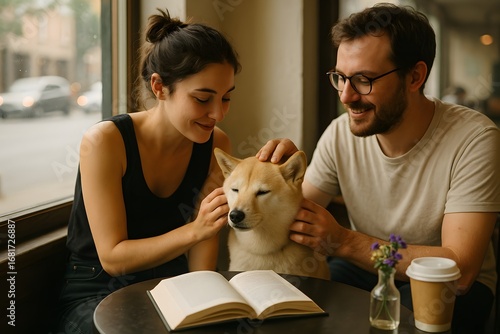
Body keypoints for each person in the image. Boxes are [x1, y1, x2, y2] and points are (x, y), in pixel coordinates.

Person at [257, 4, 500, 334]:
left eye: (363, 80)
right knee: (301, 308)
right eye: (340, 78)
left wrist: (344, 242)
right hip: (365, 269)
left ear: (415, 76)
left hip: (448, 287)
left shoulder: (475, 138)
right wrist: (277, 178)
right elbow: (297, 215)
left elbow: (460, 266)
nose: (346, 95)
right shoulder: (340, 133)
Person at [52, 9, 240, 333]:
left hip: (172, 288)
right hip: (96, 295)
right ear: (159, 87)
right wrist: (196, 230)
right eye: (203, 98)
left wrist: (204, 311)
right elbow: (112, 257)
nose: (217, 114)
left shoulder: (215, 144)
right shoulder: (106, 142)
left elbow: (201, 258)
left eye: (225, 99)